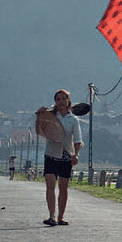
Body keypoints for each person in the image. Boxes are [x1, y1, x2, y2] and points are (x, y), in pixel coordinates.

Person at [40, 89, 83, 226]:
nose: (61, 101)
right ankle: (51, 216)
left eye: (63, 99)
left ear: (68, 101)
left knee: (63, 187)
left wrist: (76, 155)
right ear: (55, 102)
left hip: (66, 155)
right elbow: (40, 128)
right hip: (51, 153)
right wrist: (40, 114)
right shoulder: (51, 116)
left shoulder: (73, 120)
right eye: (58, 99)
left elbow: (77, 140)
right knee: (50, 185)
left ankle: (61, 217)